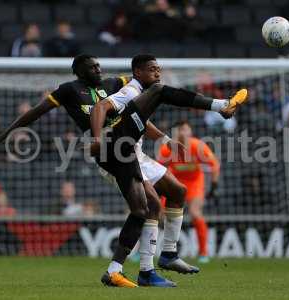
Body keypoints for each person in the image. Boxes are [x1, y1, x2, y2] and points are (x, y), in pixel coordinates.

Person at [90, 54, 248, 287]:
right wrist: (95, 138)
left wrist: (165, 139)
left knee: (177, 191)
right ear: (138, 73)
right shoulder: (131, 92)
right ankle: (138, 271)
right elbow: (100, 106)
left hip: (136, 154)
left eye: (159, 69)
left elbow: (141, 122)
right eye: (152, 69)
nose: (157, 73)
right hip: (119, 155)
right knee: (151, 206)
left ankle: (168, 255)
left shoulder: (141, 99)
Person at [158, 120, 220, 263]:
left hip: (195, 183)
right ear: (175, 133)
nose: (183, 133)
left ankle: (203, 252)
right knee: (156, 213)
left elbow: (215, 165)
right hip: (175, 182)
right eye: (180, 130)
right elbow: (159, 168)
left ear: (190, 132)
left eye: (186, 129)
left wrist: (214, 186)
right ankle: (141, 250)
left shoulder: (198, 146)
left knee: (195, 213)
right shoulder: (168, 148)